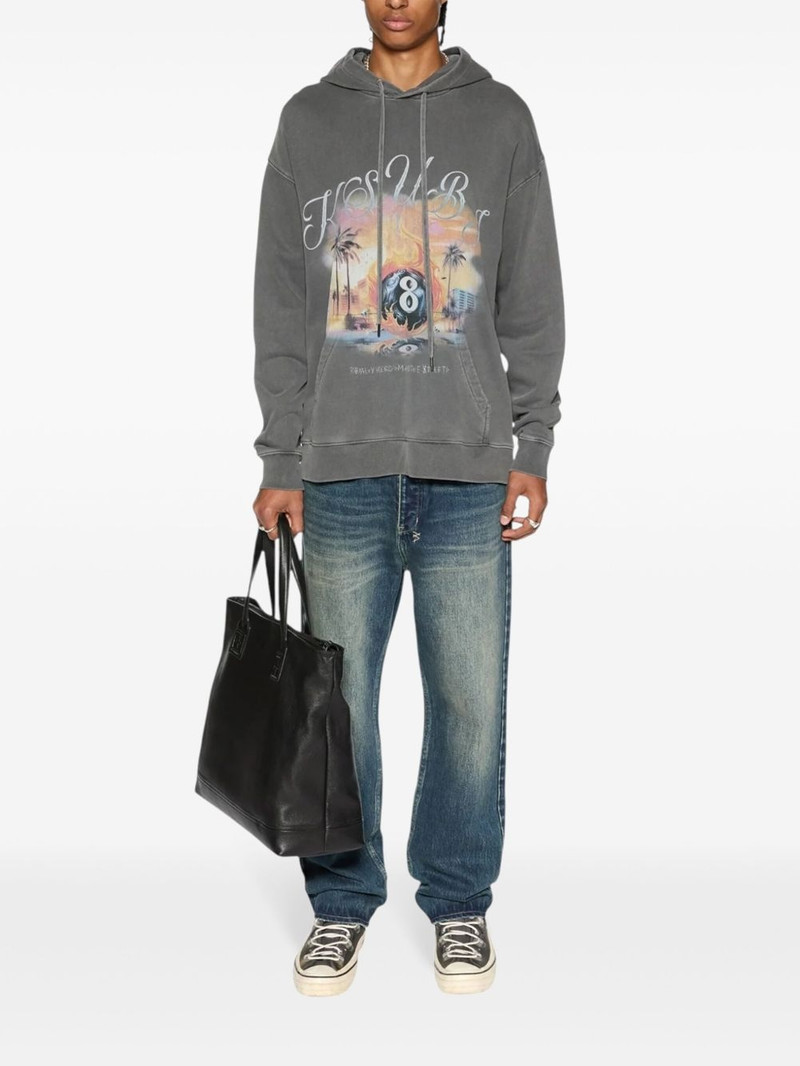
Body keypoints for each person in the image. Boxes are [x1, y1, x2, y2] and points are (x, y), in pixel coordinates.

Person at [251, 0, 565, 997]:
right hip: (338, 471)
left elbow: (531, 294)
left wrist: (532, 440)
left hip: (466, 473)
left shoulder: (499, 118)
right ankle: (341, 902)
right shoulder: (309, 119)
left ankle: (459, 899)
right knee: (337, 708)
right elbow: (279, 304)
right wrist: (280, 456)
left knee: (470, 703)